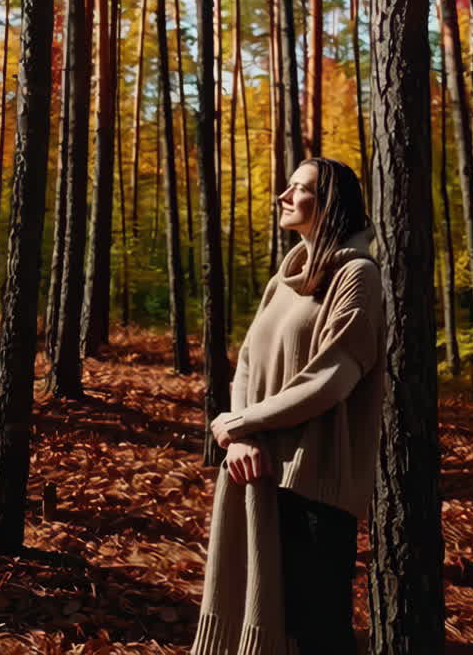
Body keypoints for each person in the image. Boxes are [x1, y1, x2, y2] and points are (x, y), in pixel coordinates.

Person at [191, 157, 385, 655]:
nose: (283, 194)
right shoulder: (283, 280)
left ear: (329, 205)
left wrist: (239, 423)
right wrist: (239, 435)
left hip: (314, 482)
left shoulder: (357, 275)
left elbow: (331, 379)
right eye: (289, 186)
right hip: (255, 469)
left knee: (316, 634)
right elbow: (248, 369)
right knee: (260, 618)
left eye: (299, 188)